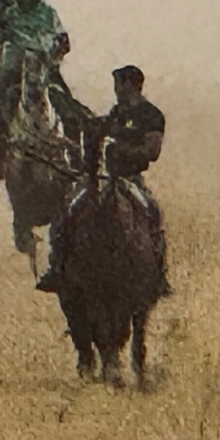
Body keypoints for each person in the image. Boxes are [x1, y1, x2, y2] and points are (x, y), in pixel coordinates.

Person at [35, 65, 171, 297]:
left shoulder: (151, 115)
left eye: (119, 84)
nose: (116, 89)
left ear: (130, 85)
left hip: (129, 178)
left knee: (151, 212)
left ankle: (158, 275)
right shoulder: (116, 113)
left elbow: (152, 151)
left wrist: (120, 150)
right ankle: (57, 266)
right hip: (100, 176)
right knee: (68, 214)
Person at [0, 0, 69, 183]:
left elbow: (63, 39)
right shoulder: (7, 8)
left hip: (43, 66)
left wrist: (56, 51)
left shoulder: (48, 12)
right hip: (14, 64)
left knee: (67, 104)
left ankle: (73, 156)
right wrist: (5, 33)